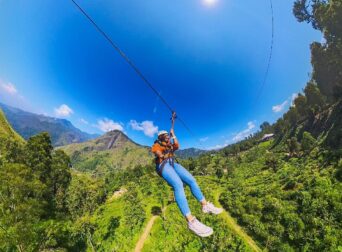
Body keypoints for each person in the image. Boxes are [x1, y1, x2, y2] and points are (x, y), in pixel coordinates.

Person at [151, 127, 223, 237]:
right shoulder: (157, 145)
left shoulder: (169, 144)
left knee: (191, 180)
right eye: (164, 135)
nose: (167, 136)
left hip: (172, 163)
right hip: (163, 165)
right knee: (178, 184)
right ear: (160, 138)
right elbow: (159, 154)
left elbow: (177, 146)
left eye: (167, 135)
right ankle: (191, 221)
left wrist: (173, 135)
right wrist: (166, 150)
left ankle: (205, 205)